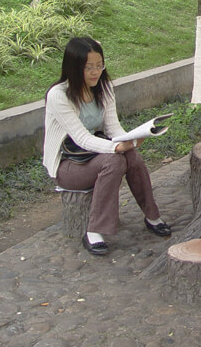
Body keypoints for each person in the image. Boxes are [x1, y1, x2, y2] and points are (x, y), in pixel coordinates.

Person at [43, 37, 171, 256]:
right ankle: (94, 230)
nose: (96, 72)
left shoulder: (104, 87)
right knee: (114, 161)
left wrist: (131, 139)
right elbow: (81, 138)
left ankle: (152, 216)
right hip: (67, 165)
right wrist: (116, 148)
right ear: (74, 68)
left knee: (133, 157)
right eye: (89, 68)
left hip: (92, 155)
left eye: (99, 65)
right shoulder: (59, 95)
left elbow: (113, 128)